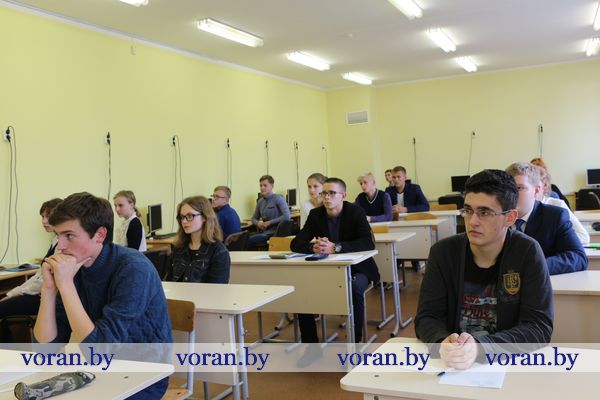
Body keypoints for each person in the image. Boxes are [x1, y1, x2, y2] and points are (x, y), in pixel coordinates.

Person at [33, 192, 172, 399]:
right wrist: (49, 290)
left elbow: (97, 350)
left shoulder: (134, 268)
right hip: (97, 370)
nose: (60, 246)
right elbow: (45, 350)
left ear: (99, 235)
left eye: (69, 236)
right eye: (58, 235)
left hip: (142, 376)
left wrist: (66, 285)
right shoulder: (74, 268)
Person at [415, 169, 553, 370]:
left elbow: (539, 327)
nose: (472, 221)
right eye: (468, 210)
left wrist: (481, 347)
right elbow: (427, 317)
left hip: (506, 364)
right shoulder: (442, 253)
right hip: (451, 365)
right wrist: (441, 341)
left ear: (510, 218)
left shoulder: (528, 252)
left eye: (485, 212)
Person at [291, 178, 379, 347]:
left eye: (332, 193)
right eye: (324, 193)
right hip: (327, 270)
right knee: (302, 291)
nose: (327, 197)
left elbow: (368, 242)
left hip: (358, 268)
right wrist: (312, 247)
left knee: (354, 289)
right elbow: (296, 243)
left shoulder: (356, 212)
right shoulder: (316, 215)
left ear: (343, 196)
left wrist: (336, 247)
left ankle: (355, 343)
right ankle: (311, 347)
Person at [506, 162, 587, 275]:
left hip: (542, 282)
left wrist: (534, 266)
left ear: (536, 190)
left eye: (519, 188)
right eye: (508, 188)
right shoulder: (496, 216)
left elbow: (578, 257)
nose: (511, 194)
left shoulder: (555, 216)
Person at [0, 198, 62, 342]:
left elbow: (41, 283)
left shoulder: (61, 245)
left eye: (48, 216)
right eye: (42, 217)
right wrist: (13, 292)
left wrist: (13, 293)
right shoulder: (55, 241)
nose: (44, 221)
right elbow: (38, 277)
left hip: (47, 299)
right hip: (41, 294)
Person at [167, 196, 230, 283]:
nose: (184, 221)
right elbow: (170, 282)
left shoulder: (218, 252)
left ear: (204, 217)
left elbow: (217, 289)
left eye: (190, 216)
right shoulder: (178, 248)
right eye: (182, 217)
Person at [535, 166, 589, 245]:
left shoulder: (557, 205)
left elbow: (583, 237)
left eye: (534, 183)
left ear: (545, 186)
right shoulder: (519, 207)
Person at [248, 175, 291, 248]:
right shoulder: (260, 201)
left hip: (274, 234)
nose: (262, 188)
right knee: (243, 238)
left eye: (265, 185)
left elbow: (287, 216)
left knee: (248, 240)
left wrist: (270, 222)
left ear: (272, 186)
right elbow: (253, 218)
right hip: (264, 232)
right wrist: (258, 223)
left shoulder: (278, 198)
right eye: (261, 185)